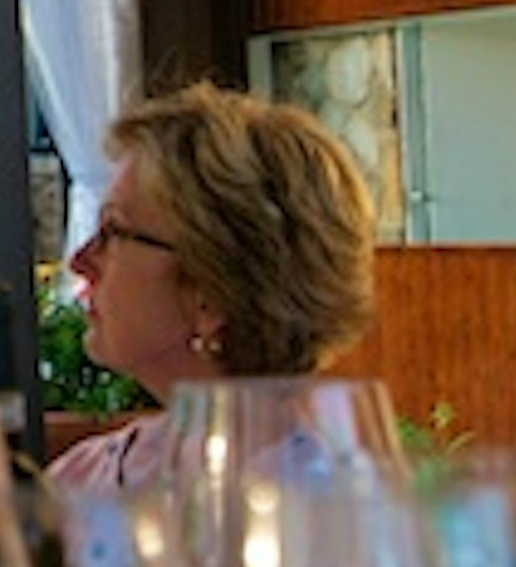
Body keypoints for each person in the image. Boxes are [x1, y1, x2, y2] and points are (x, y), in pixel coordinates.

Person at [43, 81, 380, 493]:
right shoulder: (81, 483)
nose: (80, 261)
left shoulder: (331, 511)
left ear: (211, 292)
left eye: (113, 230)